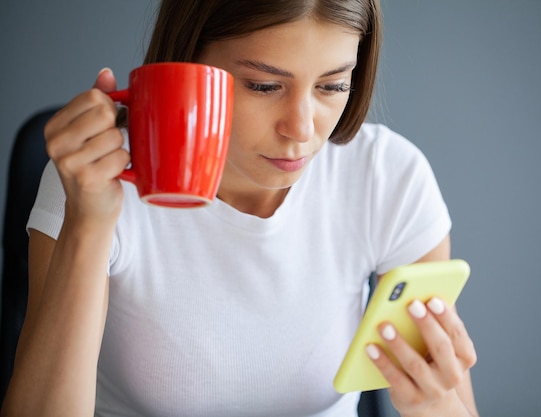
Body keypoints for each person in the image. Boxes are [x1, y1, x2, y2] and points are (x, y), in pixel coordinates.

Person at [1, 0, 479, 416]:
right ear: (186, 65)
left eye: (332, 86)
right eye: (263, 86)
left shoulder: (386, 177)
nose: (301, 129)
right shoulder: (93, 180)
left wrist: (435, 406)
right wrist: (88, 224)